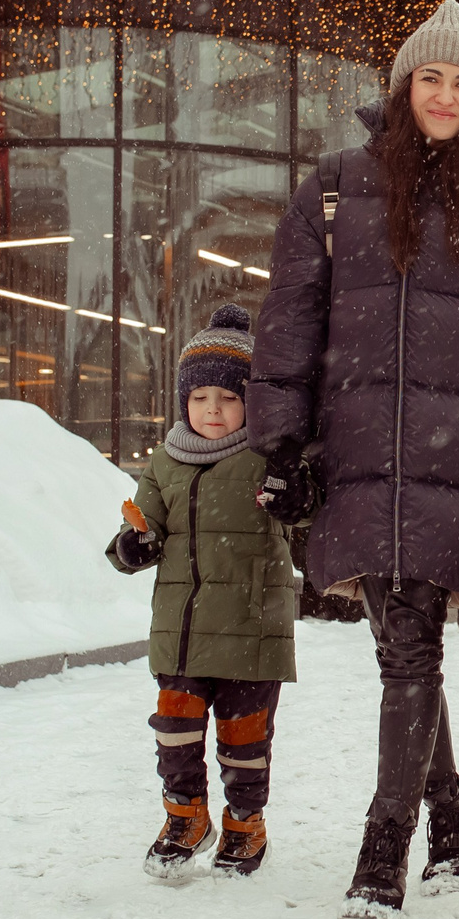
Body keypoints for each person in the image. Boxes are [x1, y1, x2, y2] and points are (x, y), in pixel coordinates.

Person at [248, 0, 459, 919]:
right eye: (431, 77)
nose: (444, 95)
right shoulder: (334, 192)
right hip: (353, 453)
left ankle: (382, 852)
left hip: (456, 463)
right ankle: (454, 820)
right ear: (402, 86)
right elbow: (290, 322)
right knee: (402, 649)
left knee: (411, 648)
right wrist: (279, 443)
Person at [106, 306, 298, 881]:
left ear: (251, 404)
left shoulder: (268, 460)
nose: (212, 409)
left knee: (245, 740)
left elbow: (306, 517)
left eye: (229, 397)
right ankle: (185, 815)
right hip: (183, 632)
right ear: (183, 402)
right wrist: (132, 545)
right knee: (176, 733)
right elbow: (145, 527)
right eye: (200, 397)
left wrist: (293, 500)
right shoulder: (165, 463)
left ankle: (245, 823)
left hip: (249, 629)